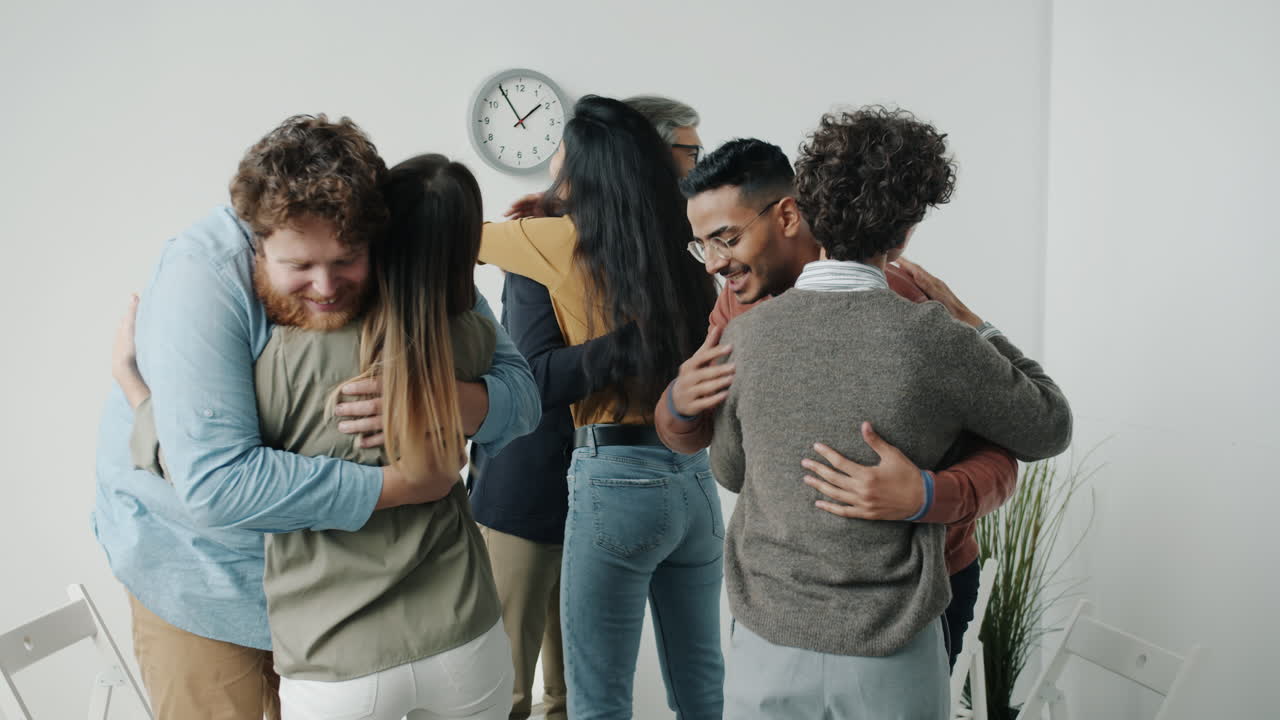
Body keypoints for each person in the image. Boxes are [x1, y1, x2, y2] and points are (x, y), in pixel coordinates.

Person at [95, 116, 539, 720]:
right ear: (255, 241)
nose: (326, 287)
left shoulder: (397, 248)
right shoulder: (202, 278)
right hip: (205, 575)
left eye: (347, 259)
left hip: (370, 612)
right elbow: (215, 483)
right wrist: (405, 482)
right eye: (299, 265)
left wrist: (437, 397)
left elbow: (521, 395)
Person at [708, 107, 1073, 718]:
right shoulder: (937, 338)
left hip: (767, 639)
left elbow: (730, 470)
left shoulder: (745, 337)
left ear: (807, 213)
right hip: (891, 644)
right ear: (904, 233)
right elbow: (1049, 426)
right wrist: (973, 322)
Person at [653, 137, 1019, 665]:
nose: (712, 264)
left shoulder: (905, 302)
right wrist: (678, 403)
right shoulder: (737, 308)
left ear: (787, 216)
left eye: (726, 239)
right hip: (785, 598)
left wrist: (928, 495)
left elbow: (1003, 446)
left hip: (915, 595)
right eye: (701, 245)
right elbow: (707, 446)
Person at [478, 95, 721, 720]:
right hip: (688, 477)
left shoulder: (547, 241)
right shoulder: (690, 245)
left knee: (592, 697)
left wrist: (545, 216)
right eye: (689, 151)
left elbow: (450, 233)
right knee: (699, 679)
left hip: (609, 475)